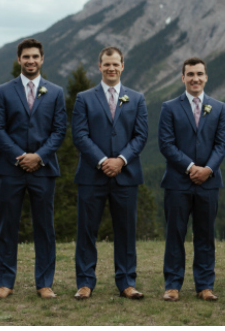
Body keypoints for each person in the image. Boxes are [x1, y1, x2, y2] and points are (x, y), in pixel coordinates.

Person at [0, 38, 67, 299]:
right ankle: (4, 283)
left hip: (43, 170)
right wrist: (21, 156)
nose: (30, 61)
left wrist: (39, 157)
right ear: (18, 60)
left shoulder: (55, 92)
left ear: (42, 59)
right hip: (11, 169)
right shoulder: (3, 91)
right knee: (7, 227)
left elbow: (59, 131)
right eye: (26, 57)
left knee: (44, 228)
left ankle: (44, 284)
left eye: (35, 56)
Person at [71, 47, 149, 300]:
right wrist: (104, 161)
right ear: (100, 66)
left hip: (126, 175)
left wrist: (121, 160)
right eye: (107, 64)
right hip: (92, 175)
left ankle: (126, 282)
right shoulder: (84, 98)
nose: (111, 68)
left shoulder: (136, 99)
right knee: (86, 231)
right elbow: (80, 135)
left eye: (116, 64)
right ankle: (84, 282)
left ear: (123, 66)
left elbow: (141, 136)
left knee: (126, 231)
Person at [157, 57, 225, 302]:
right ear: (183, 78)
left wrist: (208, 169)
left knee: (205, 235)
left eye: (199, 74)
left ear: (206, 77)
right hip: (177, 182)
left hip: (209, 182)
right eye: (190, 74)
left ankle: (205, 286)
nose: (195, 78)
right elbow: (166, 144)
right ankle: (173, 285)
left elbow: (222, 144)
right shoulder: (169, 107)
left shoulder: (219, 107)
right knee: (175, 234)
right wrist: (190, 168)